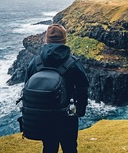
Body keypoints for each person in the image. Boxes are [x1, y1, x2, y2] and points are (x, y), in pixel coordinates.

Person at [25, 24, 89, 153]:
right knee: (70, 148)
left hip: (44, 116)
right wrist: (80, 111)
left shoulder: (36, 62)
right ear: (64, 40)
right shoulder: (73, 63)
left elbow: (27, 87)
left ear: (47, 40)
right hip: (67, 116)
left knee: (48, 147)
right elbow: (83, 89)